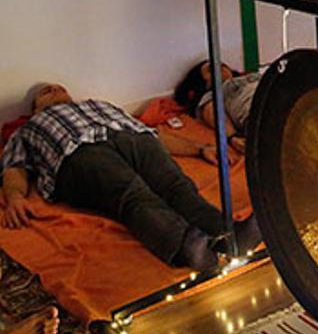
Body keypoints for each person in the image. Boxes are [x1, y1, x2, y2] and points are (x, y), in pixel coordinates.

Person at [0, 84, 259, 270]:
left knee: (177, 185)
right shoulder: (29, 129)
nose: (52, 89)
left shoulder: (98, 105)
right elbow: (14, 166)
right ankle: (184, 246)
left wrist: (201, 148)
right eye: (44, 93)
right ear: (34, 111)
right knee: (131, 193)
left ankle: (230, 236)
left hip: (134, 138)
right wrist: (14, 197)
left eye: (58, 87)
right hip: (78, 153)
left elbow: (155, 135)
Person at [174, 60, 261, 147]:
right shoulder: (212, 95)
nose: (220, 67)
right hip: (260, 115)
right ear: (204, 83)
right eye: (211, 69)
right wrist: (232, 137)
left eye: (221, 64)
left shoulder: (252, 77)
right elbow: (213, 112)